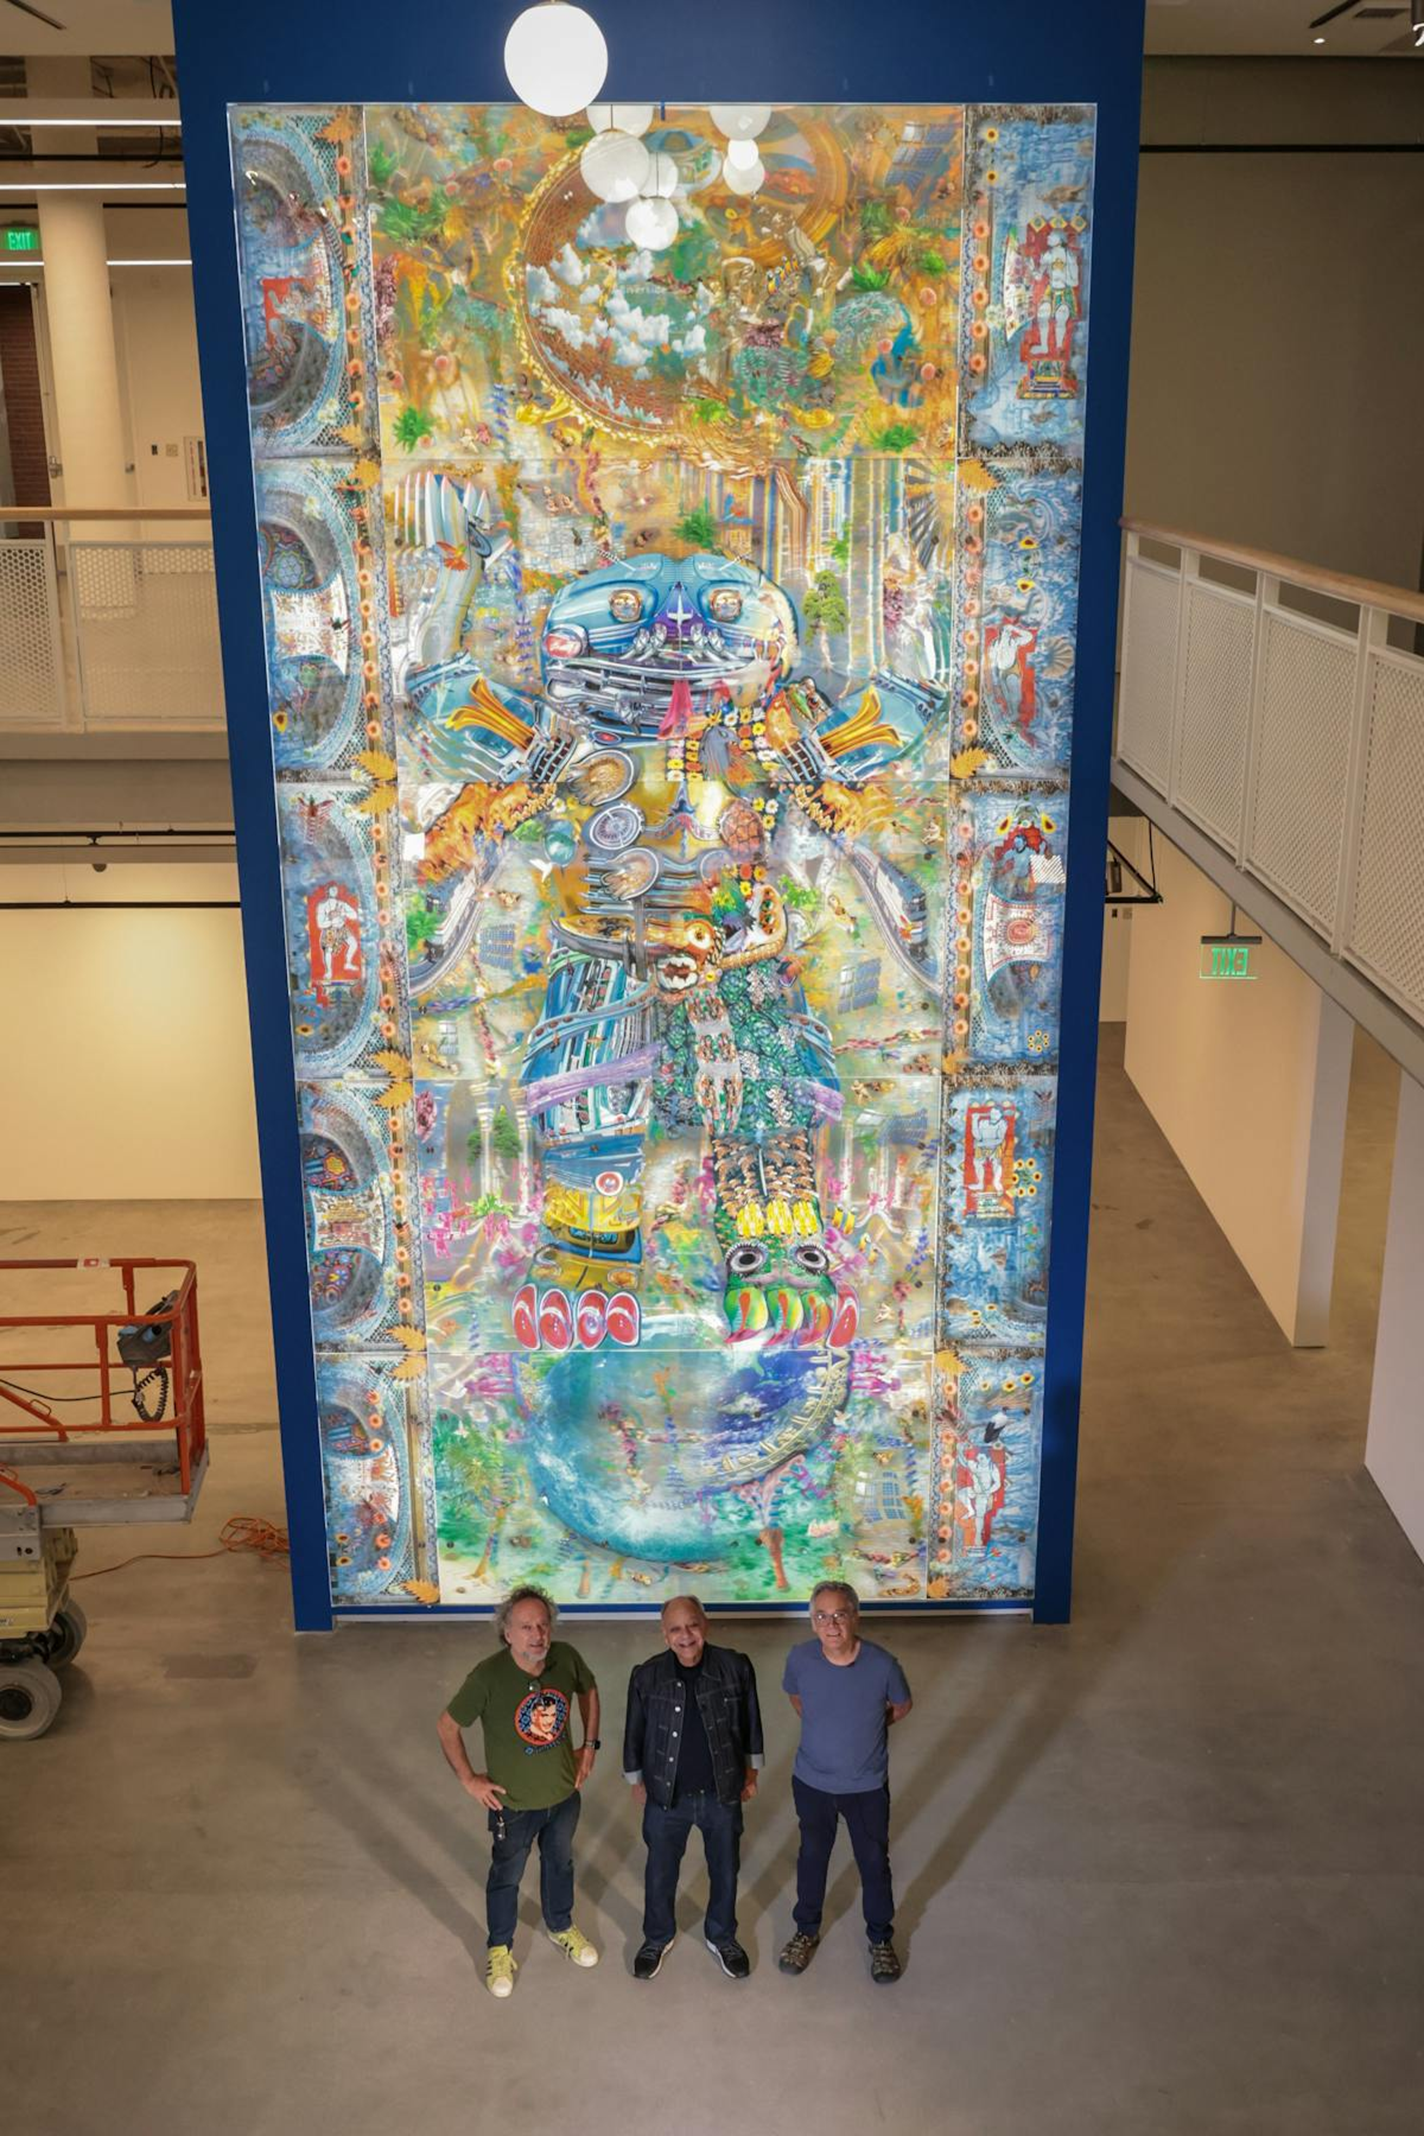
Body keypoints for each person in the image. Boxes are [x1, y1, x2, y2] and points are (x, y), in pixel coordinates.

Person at [437, 1584, 601, 2000]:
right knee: (506, 1875)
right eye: (526, 1626)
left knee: (559, 1864)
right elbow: (447, 1726)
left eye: (543, 1625)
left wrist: (589, 1746)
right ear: (507, 1633)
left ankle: (561, 1926)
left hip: (564, 1795)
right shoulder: (488, 1677)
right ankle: (499, 1947)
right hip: (512, 1805)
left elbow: (589, 1688)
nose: (537, 1635)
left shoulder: (566, 1659)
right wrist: (469, 1779)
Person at [623, 1594, 763, 1982]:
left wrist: (751, 1773)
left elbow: (750, 1722)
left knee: (725, 1868)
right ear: (664, 1635)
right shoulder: (647, 1675)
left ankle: (723, 1935)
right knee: (660, 1870)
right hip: (666, 1796)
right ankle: (657, 1936)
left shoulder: (735, 1667)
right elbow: (634, 1731)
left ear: (706, 1625)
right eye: (675, 1629)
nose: (686, 1636)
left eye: (692, 1626)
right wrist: (636, 1780)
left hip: (722, 1792)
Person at [779, 1579, 912, 1984]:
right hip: (812, 1783)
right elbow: (797, 1697)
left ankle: (880, 1938)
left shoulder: (883, 1665)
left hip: (865, 1787)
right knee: (812, 1858)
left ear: (855, 1617)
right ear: (812, 1622)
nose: (831, 1624)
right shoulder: (800, 1659)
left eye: (839, 1614)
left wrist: (873, 1725)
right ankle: (805, 1930)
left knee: (873, 1863)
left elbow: (902, 1705)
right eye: (821, 1616)